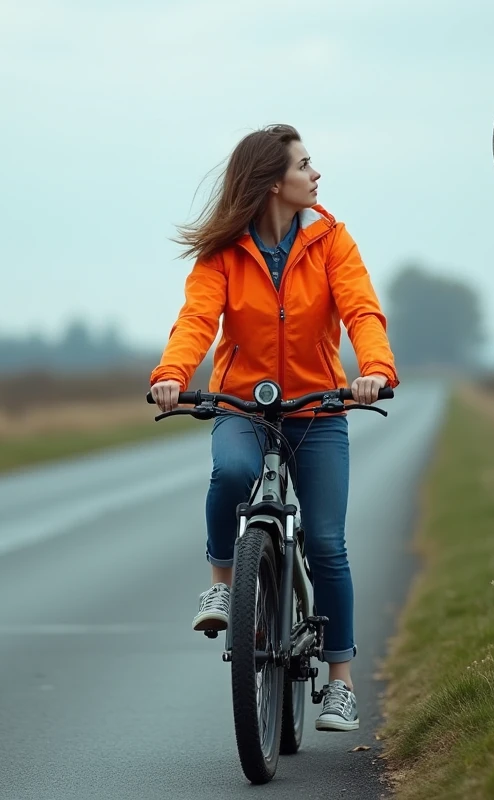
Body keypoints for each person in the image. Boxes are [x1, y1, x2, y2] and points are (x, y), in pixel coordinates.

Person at [148, 123, 398, 732]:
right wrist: (173, 373)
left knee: (326, 544)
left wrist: (375, 370)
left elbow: (361, 309)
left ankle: (339, 682)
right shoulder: (224, 253)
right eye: (304, 165)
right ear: (272, 183)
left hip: (319, 406)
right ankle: (221, 583)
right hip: (242, 404)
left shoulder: (332, 240)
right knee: (231, 471)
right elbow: (197, 319)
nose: (316, 175)